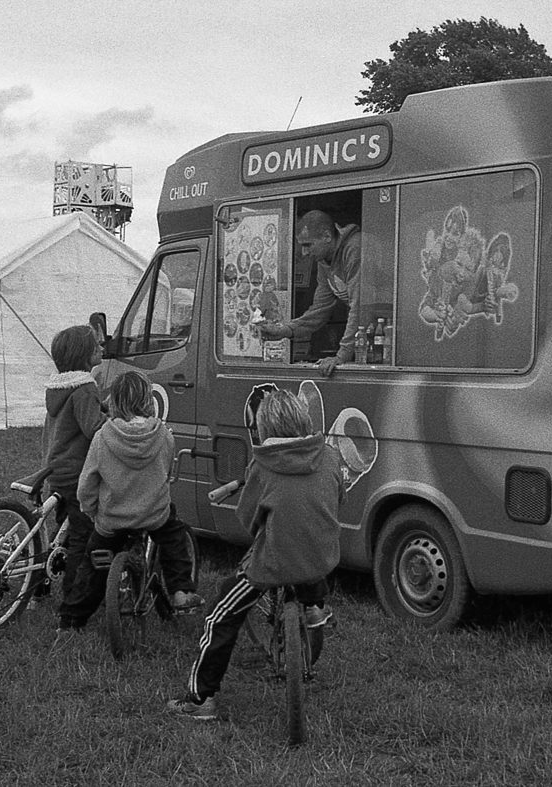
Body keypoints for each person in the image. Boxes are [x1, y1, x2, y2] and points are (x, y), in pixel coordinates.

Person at [167, 388, 343, 721]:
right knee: (307, 554)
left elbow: (248, 519)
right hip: (323, 558)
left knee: (221, 615)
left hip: (272, 563)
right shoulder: (330, 456)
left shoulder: (263, 465)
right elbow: (339, 497)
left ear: (263, 427)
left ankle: (200, 699)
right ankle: (314, 605)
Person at [63, 370, 203, 631]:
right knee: (174, 541)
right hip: (153, 515)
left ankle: (71, 620)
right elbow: (166, 473)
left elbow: (87, 484)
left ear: (114, 401)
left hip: (112, 518)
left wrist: (90, 509)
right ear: (149, 400)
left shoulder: (103, 437)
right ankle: (181, 589)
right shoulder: (164, 436)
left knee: (90, 569)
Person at [42, 325, 108, 633]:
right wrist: (118, 423)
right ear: (85, 355)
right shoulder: (85, 388)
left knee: (64, 532)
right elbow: (93, 427)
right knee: (83, 537)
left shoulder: (59, 387)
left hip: (57, 469)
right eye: (96, 344)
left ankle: (40, 584)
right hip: (78, 471)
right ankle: (72, 601)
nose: (101, 346)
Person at [258, 210, 361, 377]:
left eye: (308, 244)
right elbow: (320, 309)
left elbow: (360, 307)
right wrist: (284, 330)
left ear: (327, 236)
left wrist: (341, 357)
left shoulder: (354, 248)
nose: (305, 252)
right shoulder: (324, 260)